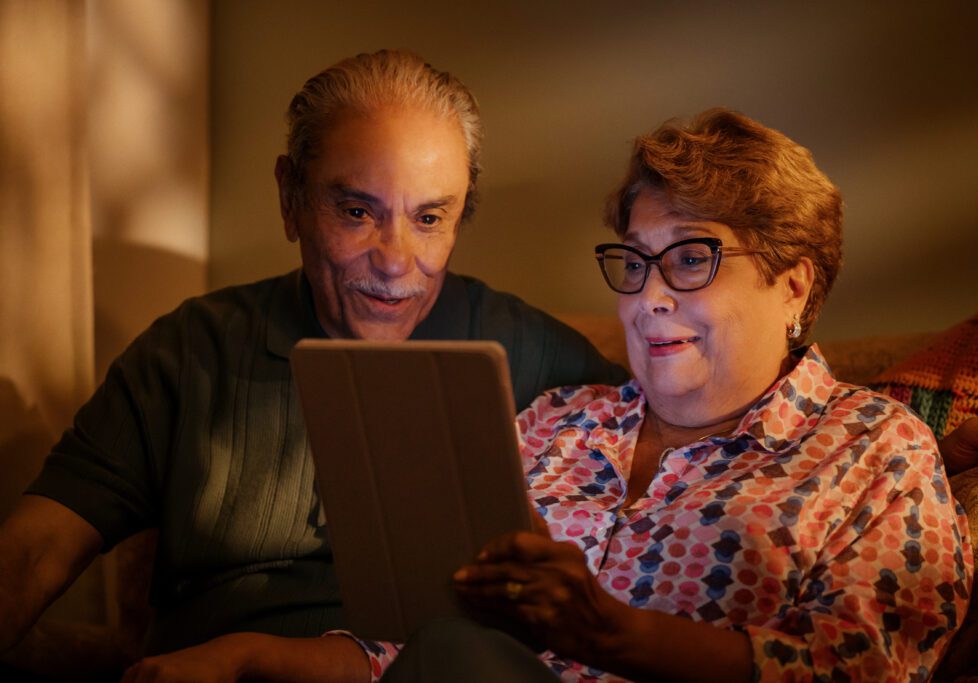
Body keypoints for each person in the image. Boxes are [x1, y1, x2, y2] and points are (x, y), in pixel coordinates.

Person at [0, 50, 627, 681]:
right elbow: (35, 550)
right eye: (357, 212)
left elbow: (677, 524)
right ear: (290, 197)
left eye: (430, 219)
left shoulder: (543, 362)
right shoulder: (193, 349)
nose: (395, 260)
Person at [366, 110, 975, 682]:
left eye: (689, 258)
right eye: (635, 262)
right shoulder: (556, 420)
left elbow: (863, 664)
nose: (648, 296)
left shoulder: (876, 445)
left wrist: (611, 633)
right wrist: (273, 657)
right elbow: (419, 648)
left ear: (792, 285)